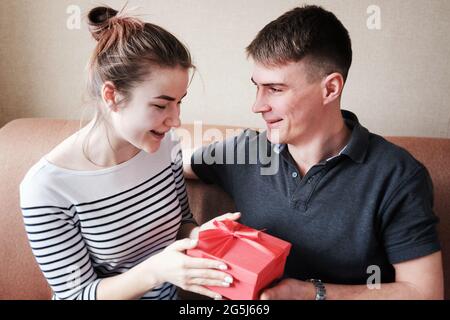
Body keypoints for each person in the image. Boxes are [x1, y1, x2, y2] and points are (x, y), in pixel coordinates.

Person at [186, 5, 444, 299]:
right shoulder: (244, 150)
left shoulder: (396, 175)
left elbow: (424, 291)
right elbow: (166, 163)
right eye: (257, 87)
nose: (257, 106)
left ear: (330, 89)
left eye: (275, 89)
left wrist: (310, 293)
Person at [19, 5, 238, 300]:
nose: (175, 120)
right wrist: (156, 271)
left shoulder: (165, 145)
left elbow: (182, 223)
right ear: (112, 96)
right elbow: (75, 295)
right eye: (161, 105)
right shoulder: (46, 188)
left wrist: (200, 236)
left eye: (179, 102)